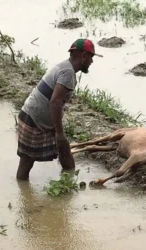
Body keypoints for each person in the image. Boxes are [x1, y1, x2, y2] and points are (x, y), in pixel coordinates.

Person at [16, 38, 103, 180]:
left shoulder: (64, 67)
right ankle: (25, 196)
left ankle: (68, 184)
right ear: (83, 56)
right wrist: (59, 132)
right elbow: (55, 102)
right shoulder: (68, 73)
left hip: (34, 115)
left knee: (64, 150)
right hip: (34, 120)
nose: (91, 62)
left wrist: (58, 132)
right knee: (26, 163)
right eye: (91, 57)